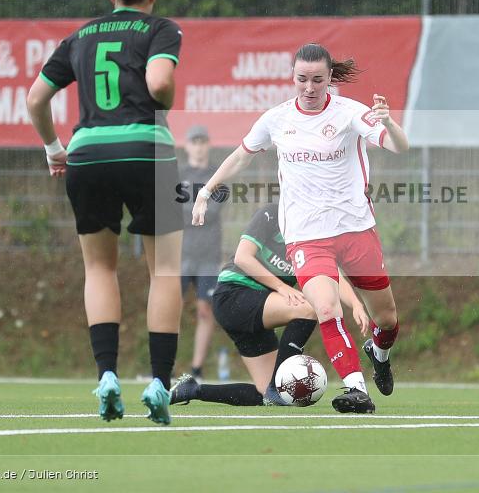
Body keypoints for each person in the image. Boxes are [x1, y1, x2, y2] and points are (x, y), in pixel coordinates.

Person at [192, 43, 409, 414]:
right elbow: (242, 155)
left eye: (317, 80)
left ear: (329, 80)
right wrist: (207, 190)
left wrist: (388, 122)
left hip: (356, 230)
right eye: (302, 79)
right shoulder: (276, 119)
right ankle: (357, 390)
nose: (309, 88)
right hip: (307, 236)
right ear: (293, 78)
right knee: (325, 307)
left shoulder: (350, 113)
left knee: (386, 319)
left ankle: (379, 352)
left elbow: (399, 148)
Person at [27, 0, 184, 424]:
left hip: (88, 155)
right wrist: (168, 97)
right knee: (166, 272)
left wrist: (56, 148)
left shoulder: (79, 37)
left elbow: (36, 97)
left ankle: (108, 377)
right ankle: (158, 382)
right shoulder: (161, 28)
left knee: (98, 268)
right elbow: (159, 83)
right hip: (147, 151)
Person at [170, 202, 368, 406]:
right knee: (307, 309)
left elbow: (328, 273)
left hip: (259, 304)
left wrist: (355, 303)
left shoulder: (312, 233)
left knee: (264, 395)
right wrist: (282, 287)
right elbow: (243, 257)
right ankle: (276, 387)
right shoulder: (272, 213)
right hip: (233, 294)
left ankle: (193, 389)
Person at [178, 124, 224, 381]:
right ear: (187, 146)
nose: (198, 146)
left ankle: (196, 369)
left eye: (202, 141)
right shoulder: (179, 174)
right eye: (193, 141)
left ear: (207, 144)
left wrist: (189, 207)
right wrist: (195, 206)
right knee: (171, 308)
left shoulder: (216, 176)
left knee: (205, 310)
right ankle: (163, 364)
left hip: (208, 256)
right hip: (181, 254)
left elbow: (211, 211)